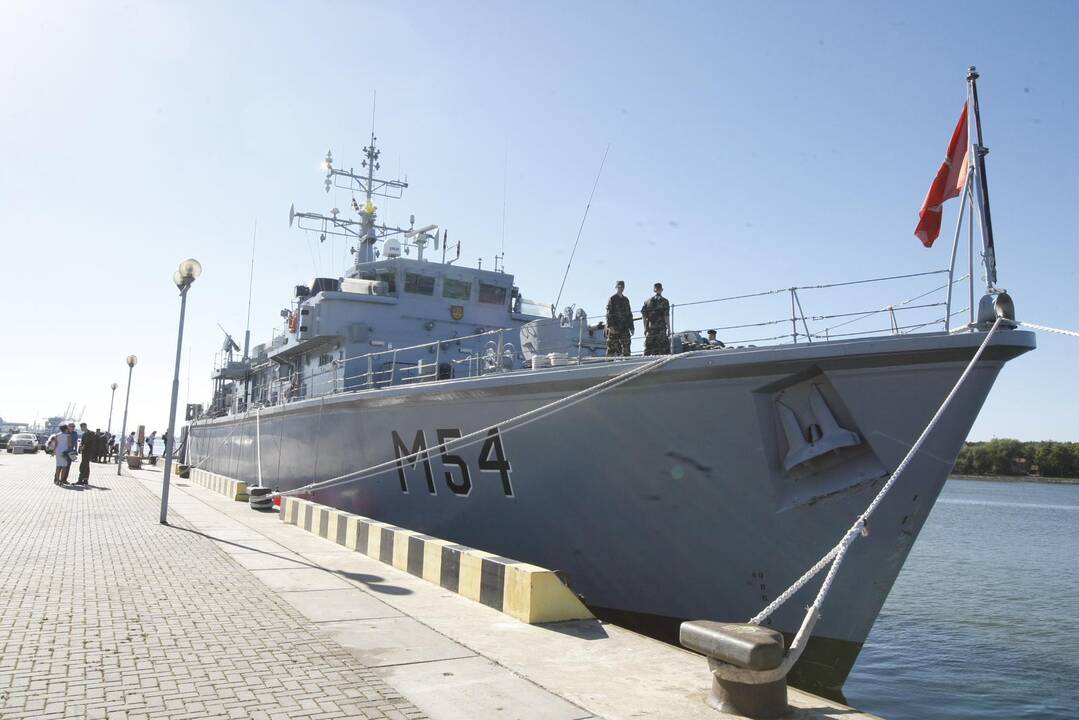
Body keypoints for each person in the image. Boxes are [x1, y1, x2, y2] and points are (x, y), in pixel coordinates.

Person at [640, 282, 671, 356]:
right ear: (661, 290)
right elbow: (666, 316)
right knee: (663, 348)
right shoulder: (664, 301)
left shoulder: (647, 302)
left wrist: (645, 328)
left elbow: (644, 317)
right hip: (660, 328)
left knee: (649, 348)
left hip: (652, 329)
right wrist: (669, 328)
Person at [604, 280, 634, 357]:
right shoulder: (612, 299)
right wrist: (610, 327)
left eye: (622, 287)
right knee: (611, 347)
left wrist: (632, 327)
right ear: (616, 287)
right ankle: (608, 365)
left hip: (624, 327)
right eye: (619, 287)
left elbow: (629, 315)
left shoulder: (626, 300)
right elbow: (608, 313)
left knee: (626, 346)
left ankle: (626, 361)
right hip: (614, 327)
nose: (621, 289)